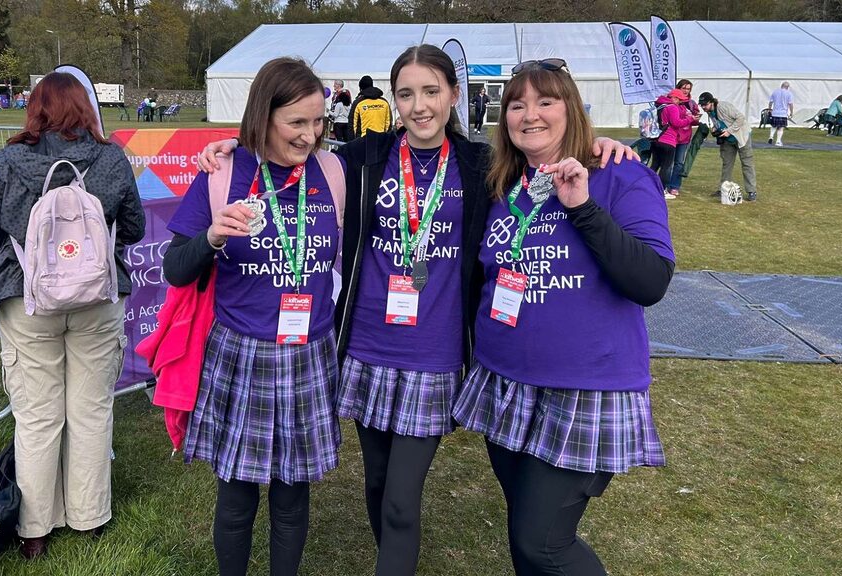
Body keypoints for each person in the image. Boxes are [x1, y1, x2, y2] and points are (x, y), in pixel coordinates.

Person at [196, 47, 634, 576]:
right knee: (378, 488)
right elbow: (293, 150)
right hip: (367, 349)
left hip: (435, 353)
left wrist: (602, 145)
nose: (419, 106)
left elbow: (544, 156)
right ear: (392, 99)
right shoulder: (362, 158)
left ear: (453, 94)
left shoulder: (482, 165)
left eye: (431, 91)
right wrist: (231, 146)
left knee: (402, 500)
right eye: (406, 93)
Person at [452, 58, 675, 576]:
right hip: (505, 382)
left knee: (543, 543)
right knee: (525, 534)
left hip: (583, 388)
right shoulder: (504, 183)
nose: (530, 115)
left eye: (545, 101)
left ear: (570, 108)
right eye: (517, 104)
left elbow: (651, 282)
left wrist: (583, 207)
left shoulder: (618, 173)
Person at [164, 57, 345, 576]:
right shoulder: (222, 171)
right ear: (264, 116)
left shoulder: (331, 171)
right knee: (238, 495)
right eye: (297, 122)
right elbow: (177, 269)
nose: (310, 135)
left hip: (310, 352)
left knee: (292, 495)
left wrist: (595, 148)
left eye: (318, 121)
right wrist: (212, 237)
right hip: (243, 351)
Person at [0, 72, 146, 560]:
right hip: (97, 301)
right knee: (90, 412)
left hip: (27, 302)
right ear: (86, 108)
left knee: (38, 418)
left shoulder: (7, 162)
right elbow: (134, 227)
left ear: (35, 109)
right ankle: (89, 518)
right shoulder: (111, 159)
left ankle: (36, 529)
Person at [698, 91, 758, 202]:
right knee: (727, 164)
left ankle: (751, 191)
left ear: (712, 102)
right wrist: (716, 129)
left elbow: (741, 118)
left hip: (741, 137)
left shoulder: (724, 106)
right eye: (702, 105)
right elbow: (720, 122)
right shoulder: (709, 111)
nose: (703, 107)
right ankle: (724, 189)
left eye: (705, 104)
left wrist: (729, 131)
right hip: (727, 140)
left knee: (747, 163)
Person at [650, 88, 693, 199]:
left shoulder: (660, 105)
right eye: (678, 99)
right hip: (668, 140)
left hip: (656, 139)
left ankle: (647, 186)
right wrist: (689, 119)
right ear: (673, 98)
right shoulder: (672, 107)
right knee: (666, 166)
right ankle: (661, 190)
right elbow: (676, 123)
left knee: (655, 165)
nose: (680, 102)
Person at [676, 79, 707, 180]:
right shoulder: (673, 102)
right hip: (673, 136)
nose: (685, 91)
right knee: (668, 163)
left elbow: (693, 121)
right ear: (678, 88)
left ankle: (674, 186)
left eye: (688, 89)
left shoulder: (692, 103)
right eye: (683, 88)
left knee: (679, 162)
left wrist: (696, 119)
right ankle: (664, 185)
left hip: (684, 137)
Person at [768, 81, 793, 146]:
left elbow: (770, 102)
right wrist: (791, 112)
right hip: (783, 113)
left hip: (775, 112)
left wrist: (769, 109)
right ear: (787, 87)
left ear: (781, 86)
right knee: (781, 128)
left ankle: (771, 136)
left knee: (773, 126)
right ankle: (778, 141)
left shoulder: (775, 92)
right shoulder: (789, 93)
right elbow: (790, 104)